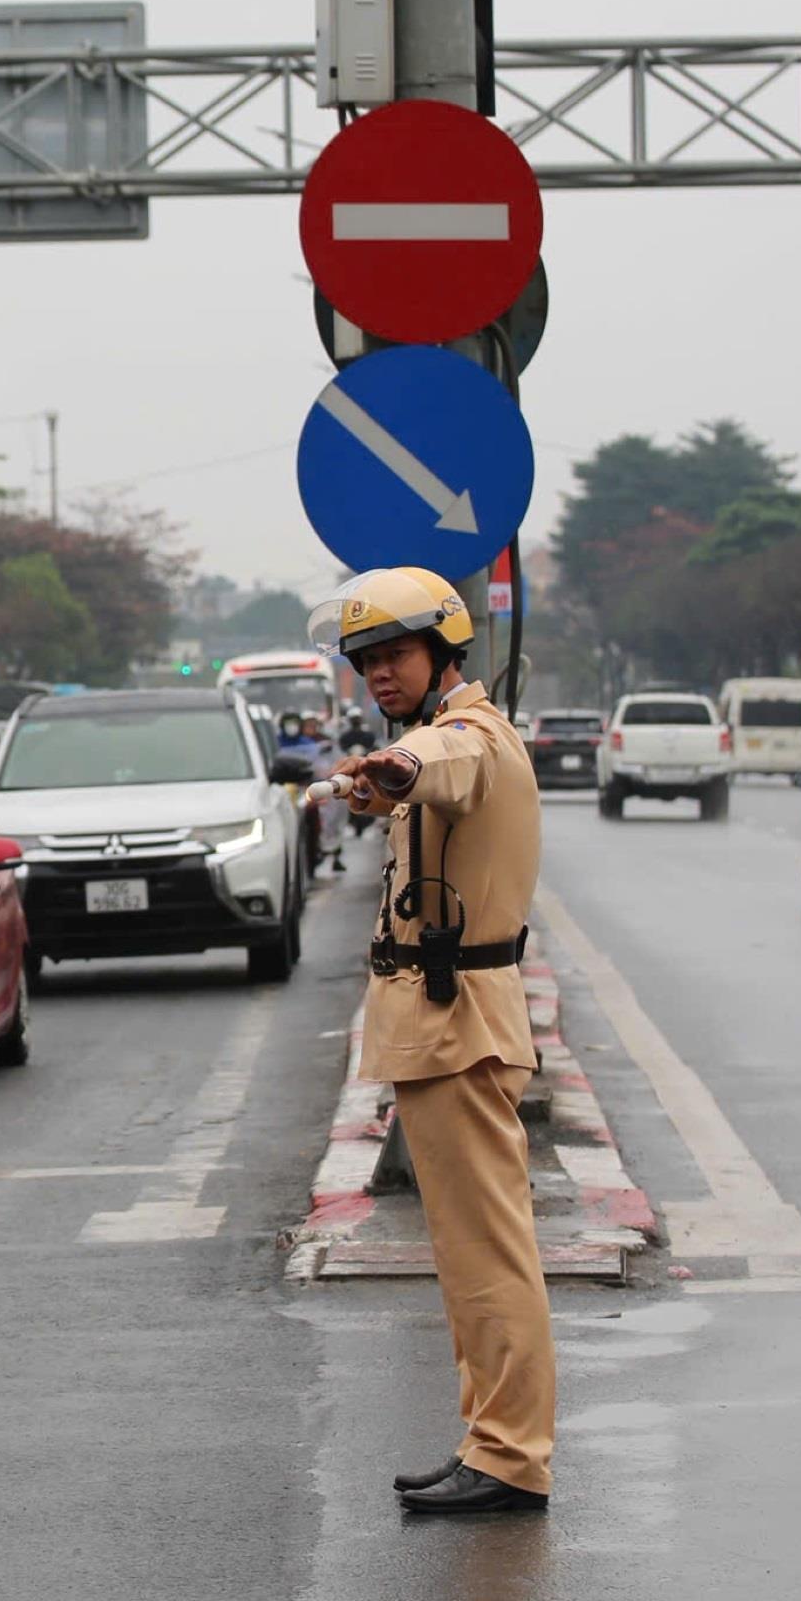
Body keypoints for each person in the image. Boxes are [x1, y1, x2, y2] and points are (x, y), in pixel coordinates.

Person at [315, 567, 553, 1516]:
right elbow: (413, 778)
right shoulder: (431, 733)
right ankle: (490, 1438)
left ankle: (510, 1453)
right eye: (366, 660)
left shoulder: (467, 733)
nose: (379, 673)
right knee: (466, 1252)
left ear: (446, 649)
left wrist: (399, 770)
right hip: (441, 1021)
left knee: (488, 1252)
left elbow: (442, 766)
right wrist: (366, 779)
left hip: (460, 1022)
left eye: (395, 654)